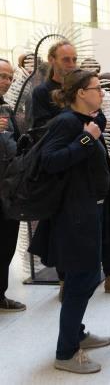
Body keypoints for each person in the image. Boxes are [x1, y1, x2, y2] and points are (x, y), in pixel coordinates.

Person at [29, 69, 110, 374]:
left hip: (89, 210)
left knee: (87, 278)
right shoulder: (66, 122)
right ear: (80, 93)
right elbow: (50, 161)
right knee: (81, 280)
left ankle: (76, 334)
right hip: (76, 215)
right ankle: (65, 352)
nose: (101, 93)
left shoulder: (80, 121)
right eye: (96, 88)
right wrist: (88, 141)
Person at [0, 59, 24, 312]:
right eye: (2, 76)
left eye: (9, 77)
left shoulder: (6, 110)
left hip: (8, 190)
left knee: (7, 244)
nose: (6, 81)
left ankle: (0, 294)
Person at [31, 40, 78, 129]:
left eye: (74, 60)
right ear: (51, 59)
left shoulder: (81, 87)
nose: (72, 64)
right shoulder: (42, 91)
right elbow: (41, 126)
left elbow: (99, 118)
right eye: (66, 60)